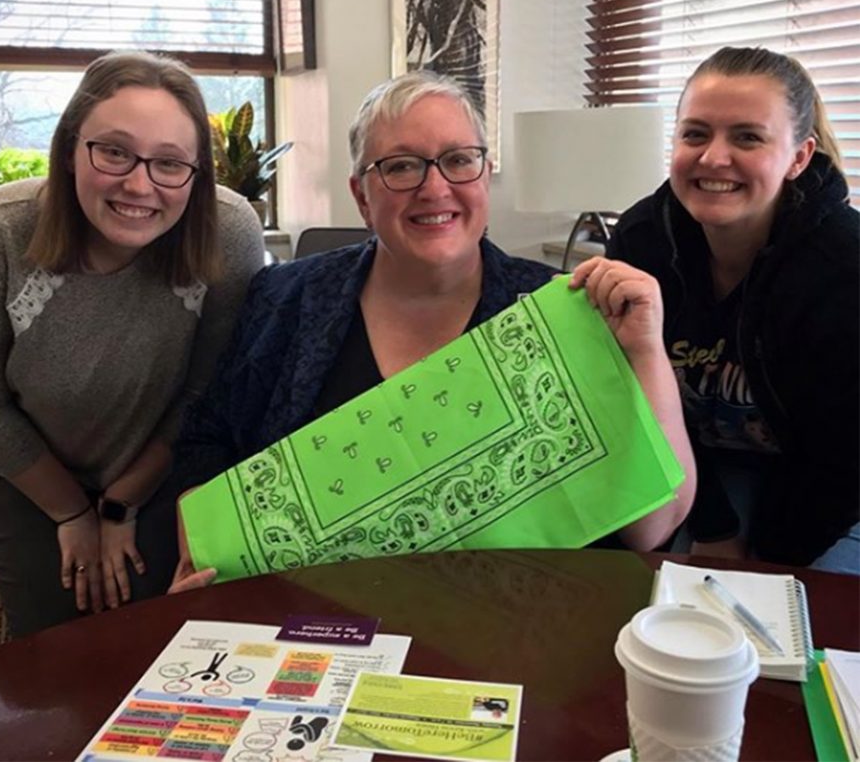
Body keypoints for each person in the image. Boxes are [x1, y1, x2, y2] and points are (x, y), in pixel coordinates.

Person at [169, 70, 696, 592]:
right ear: (361, 195)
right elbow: (207, 443)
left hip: (512, 625)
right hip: (321, 628)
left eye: (459, 160)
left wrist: (646, 349)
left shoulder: (558, 312)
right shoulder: (285, 298)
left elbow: (653, 524)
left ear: (485, 173)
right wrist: (204, 548)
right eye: (400, 167)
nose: (435, 187)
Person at [0, 51, 266, 635]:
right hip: (19, 456)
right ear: (71, 147)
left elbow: (204, 394)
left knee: (164, 622)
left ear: (197, 171)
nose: (138, 184)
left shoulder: (229, 231)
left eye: (169, 163)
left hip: (156, 450)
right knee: (56, 643)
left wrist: (122, 504)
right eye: (115, 151)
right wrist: (72, 513)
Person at [607, 46, 859, 571]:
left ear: (799, 156)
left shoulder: (844, 268)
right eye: (695, 133)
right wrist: (714, 527)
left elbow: (844, 458)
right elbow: (628, 405)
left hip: (819, 484)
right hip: (692, 470)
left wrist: (765, 561)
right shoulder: (640, 243)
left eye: (747, 137)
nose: (714, 158)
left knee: (797, 631)